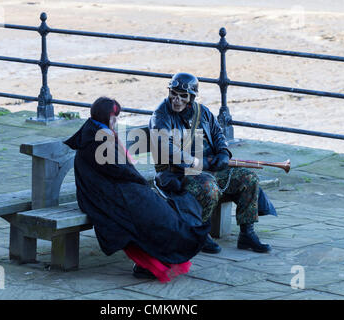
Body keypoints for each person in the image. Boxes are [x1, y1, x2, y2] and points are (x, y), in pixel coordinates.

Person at [63, 96, 211, 282]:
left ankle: (170, 251)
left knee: (156, 210)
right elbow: (117, 169)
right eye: (114, 117)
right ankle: (159, 260)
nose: (116, 121)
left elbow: (119, 170)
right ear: (104, 117)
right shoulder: (97, 138)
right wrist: (139, 181)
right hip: (101, 194)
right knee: (143, 216)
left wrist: (138, 182)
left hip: (113, 187)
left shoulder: (97, 131)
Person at [149, 72, 277, 254]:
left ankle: (247, 234)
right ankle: (201, 233)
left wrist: (224, 153)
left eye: (182, 96)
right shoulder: (160, 116)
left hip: (208, 169)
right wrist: (197, 162)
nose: (176, 100)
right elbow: (166, 148)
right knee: (209, 187)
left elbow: (218, 135)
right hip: (178, 172)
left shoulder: (204, 113)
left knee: (248, 178)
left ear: (191, 97)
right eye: (173, 94)